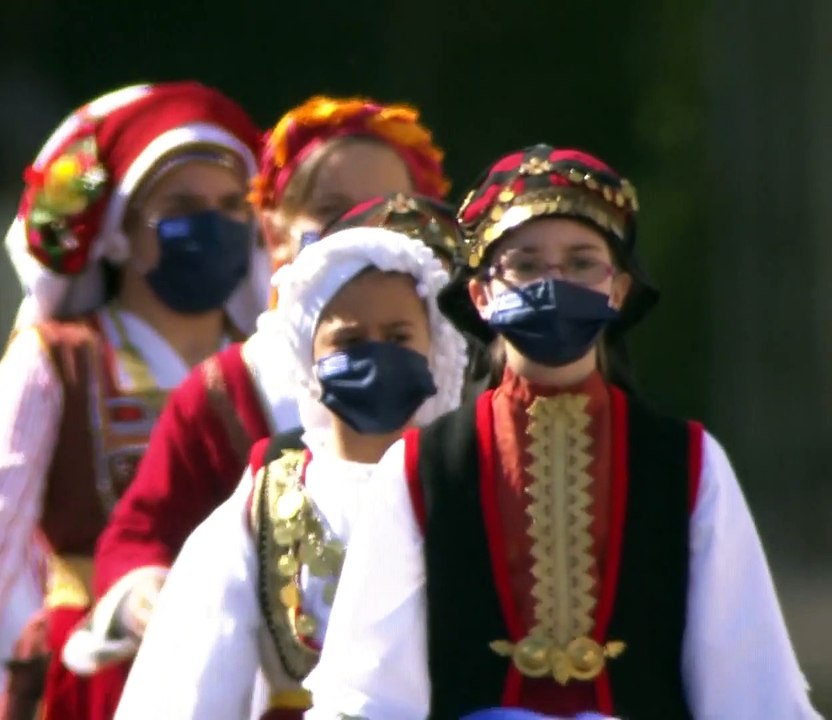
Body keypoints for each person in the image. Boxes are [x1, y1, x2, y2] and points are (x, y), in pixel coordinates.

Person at [304, 144, 822, 719]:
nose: (554, 282)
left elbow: (747, 682)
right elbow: (369, 690)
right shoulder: (421, 468)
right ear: (480, 294)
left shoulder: (687, 460)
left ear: (618, 289)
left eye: (581, 263)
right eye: (526, 265)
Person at [0, 82, 266, 720]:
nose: (212, 224)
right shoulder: (63, 358)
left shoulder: (265, 365)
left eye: (230, 206)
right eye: (182, 206)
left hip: (243, 678)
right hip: (91, 673)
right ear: (120, 230)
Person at [80, 98, 451, 672]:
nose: (361, 230)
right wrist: (148, 594)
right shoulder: (225, 389)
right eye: (332, 210)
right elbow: (141, 533)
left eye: (390, 212)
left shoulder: (455, 384)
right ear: (273, 231)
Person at [113, 212, 469, 719]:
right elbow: (193, 683)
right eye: (350, 341)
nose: (376, 355)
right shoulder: (269, 498)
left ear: (434, 348)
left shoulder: (466, 484)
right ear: (308, 356)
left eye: (398, 337)